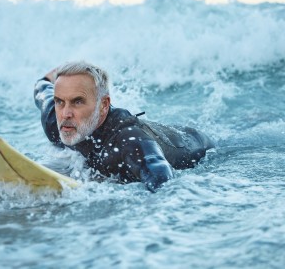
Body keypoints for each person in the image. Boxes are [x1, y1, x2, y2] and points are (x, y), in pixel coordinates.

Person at [34, 61, 214, 192]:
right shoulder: (57, 121)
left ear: (104, 105)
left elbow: (161, 176)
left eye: (78, 102)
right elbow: (42, 89)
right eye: (60, 101)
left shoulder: (128, 141)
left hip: (193, 144)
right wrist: (48, 76)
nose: (65, 113)